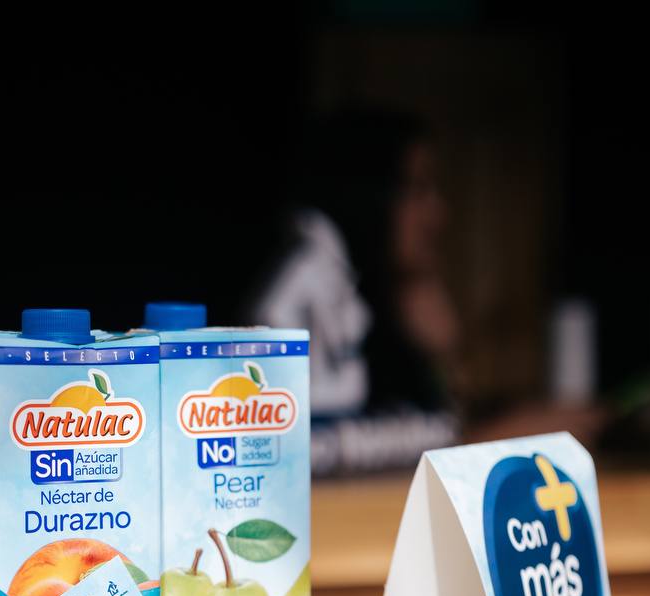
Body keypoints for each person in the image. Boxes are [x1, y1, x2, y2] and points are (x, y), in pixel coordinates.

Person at [246, 107, 603, 475]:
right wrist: (488, 440)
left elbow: (420, 424)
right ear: (367, 193)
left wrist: (445, 359)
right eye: (417, 189)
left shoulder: (382, 294)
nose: (438, 213)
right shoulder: (304, 279)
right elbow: (308, 450)